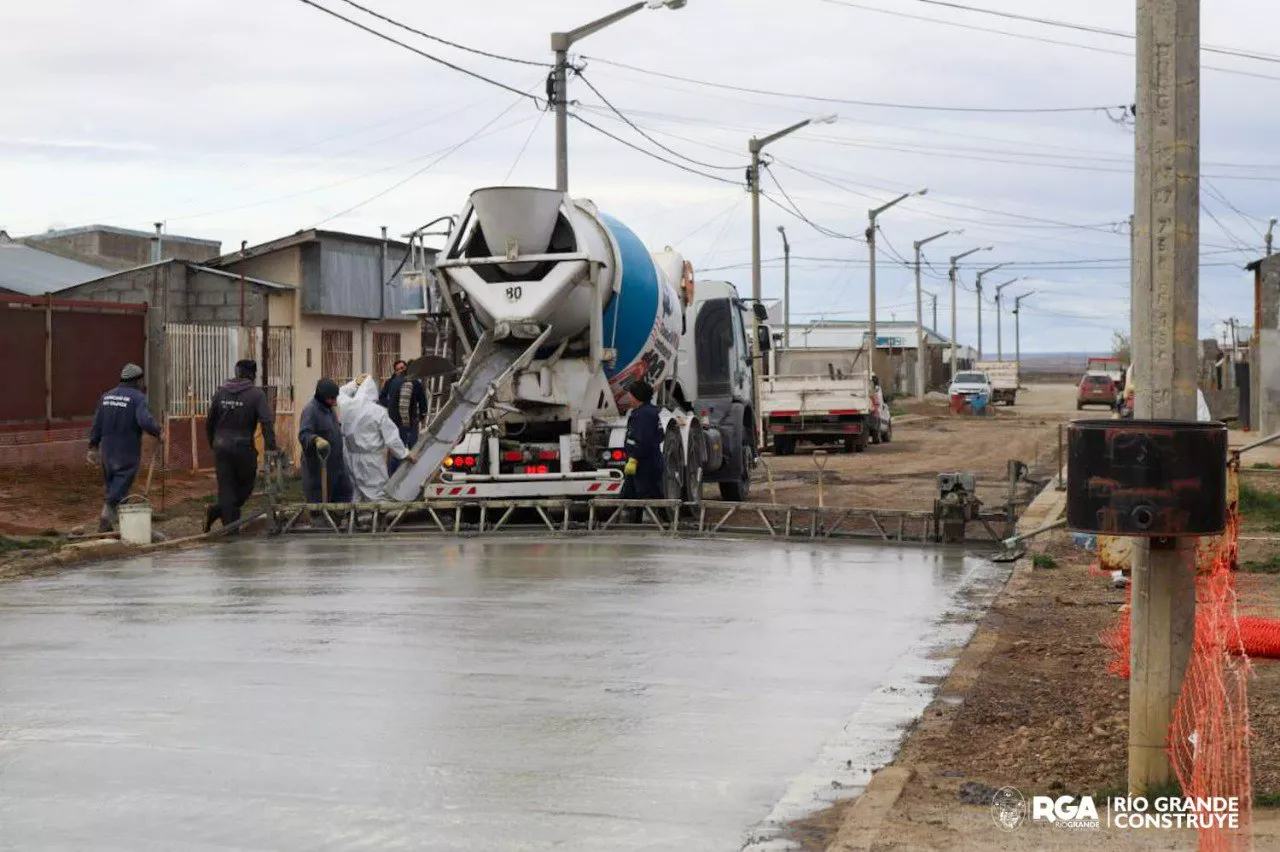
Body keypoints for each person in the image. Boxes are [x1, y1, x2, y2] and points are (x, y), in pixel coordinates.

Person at [204, 359, 277, 533]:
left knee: (227, 487)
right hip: (243, 447)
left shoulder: (221, 392)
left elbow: (210, 422)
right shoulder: (256, 395)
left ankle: (224, 517)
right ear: (253, 374)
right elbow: (266, 423)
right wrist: (271, 449)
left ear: (237, 372)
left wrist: (213, 444)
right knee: (246, 486)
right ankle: (230, 528)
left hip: (221, 446)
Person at [87, 363, 162, 532]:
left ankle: (120, 523)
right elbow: (144, 421)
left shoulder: (106, 396)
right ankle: (105, 521)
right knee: (118, 490)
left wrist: (93, 446)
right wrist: (158, 431)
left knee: (114, 486)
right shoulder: (137, 398)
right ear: (138, 380)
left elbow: (97, 423)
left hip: (107, 452)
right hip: (126, 451)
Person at [341, 375, 417, 503]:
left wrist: (354, 383)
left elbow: (338, 392)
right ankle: (378, 520)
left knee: (356, 492)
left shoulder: (347, 406)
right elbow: (391, 438)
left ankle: (355, 520)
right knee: (377, 494)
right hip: (370, 460)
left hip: (350, 457)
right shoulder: (378, 412)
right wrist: (404, 453)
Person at [298, 378, 353, 505]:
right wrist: (315, 439)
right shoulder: (310, 411)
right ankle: (321, 523)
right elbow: (304, 434)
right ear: (322, 396)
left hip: (336, 465)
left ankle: (338, 522)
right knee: (320, 501)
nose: (334, 402)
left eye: (335, 398)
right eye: (331, 399)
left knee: (345, 493)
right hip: (319, 469)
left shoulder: (329, 409)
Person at [378, 359, 428, 476]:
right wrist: (390, 403)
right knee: (397, 450)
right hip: (396, 422)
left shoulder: (414, 382)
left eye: (403, 368)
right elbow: (382, 398)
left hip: (411, 421)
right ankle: (394, 477)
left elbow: (422, 400)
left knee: (413, 448)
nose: (401, 370)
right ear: (395, 372)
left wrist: (421, 415)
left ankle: (413, 475)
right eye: (398, 369)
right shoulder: (390, 383)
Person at [620, 381, 664, 502]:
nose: (628, 397)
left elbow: (643, 439)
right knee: (630, 496)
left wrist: (634, 458)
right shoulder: (646, 412)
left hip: (644, 464)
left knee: (647, 496)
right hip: (644, 462)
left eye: (630, 394)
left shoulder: (644, 414)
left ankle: (662, 519)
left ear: (636, 396)